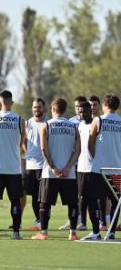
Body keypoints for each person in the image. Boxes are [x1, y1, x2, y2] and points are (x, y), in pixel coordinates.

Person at [32, 98, 81, 241]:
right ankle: (73, 233)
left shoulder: (46, 125)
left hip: (50, 172)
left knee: (45, 203)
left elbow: (43, 148)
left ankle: (44, 232)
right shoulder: (73, 127)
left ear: (53, 109)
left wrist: (53, 167)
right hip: (69, 173)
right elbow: (78, 150)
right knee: (72, 203)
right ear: (64, 110)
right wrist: (68, 168)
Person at [0, 90, 25, 240]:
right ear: (11, 102)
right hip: (13, 167)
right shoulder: (19, 120)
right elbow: (21, 143)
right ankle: (15, 233)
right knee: (15, 200)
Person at [88, 94, 121, 240]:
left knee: (92, 198)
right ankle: (112, 231)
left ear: (104, 105)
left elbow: (90, 143)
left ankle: (96, 232)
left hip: (99, 169)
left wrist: (95, 157)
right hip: (117, 168)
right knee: (116, 201)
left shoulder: (98, 120)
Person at [58, 95, 87, 230]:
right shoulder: (70, 123)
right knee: (73, 195)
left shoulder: (89, 121)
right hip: (73, 163)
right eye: (76, 107)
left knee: (84, 194)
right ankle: (74, 220)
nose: (78, 109)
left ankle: (84, 222)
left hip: (86, 163)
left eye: (80, 107)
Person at [76, 102, 103, 240]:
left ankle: (97, 231)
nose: (82, 114)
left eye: (85, 111)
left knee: (93, 200)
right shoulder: (79, 125)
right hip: (81, 168)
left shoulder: (96, 125)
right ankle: (88, 227)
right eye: (80, 112)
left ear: (90, 111)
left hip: (93, 169)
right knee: (82, 199)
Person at [23, 98, 49, 231]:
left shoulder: (49, 123)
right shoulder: (28, 123)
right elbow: (23, 140)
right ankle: (38, 221)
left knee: (43, 196)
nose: (36, 109)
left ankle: (44, 223)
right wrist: (28, 152)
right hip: (30, 165)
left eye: (39, 107)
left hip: (45, 165)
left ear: (44, 108)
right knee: (33, 196)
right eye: (34, 107)